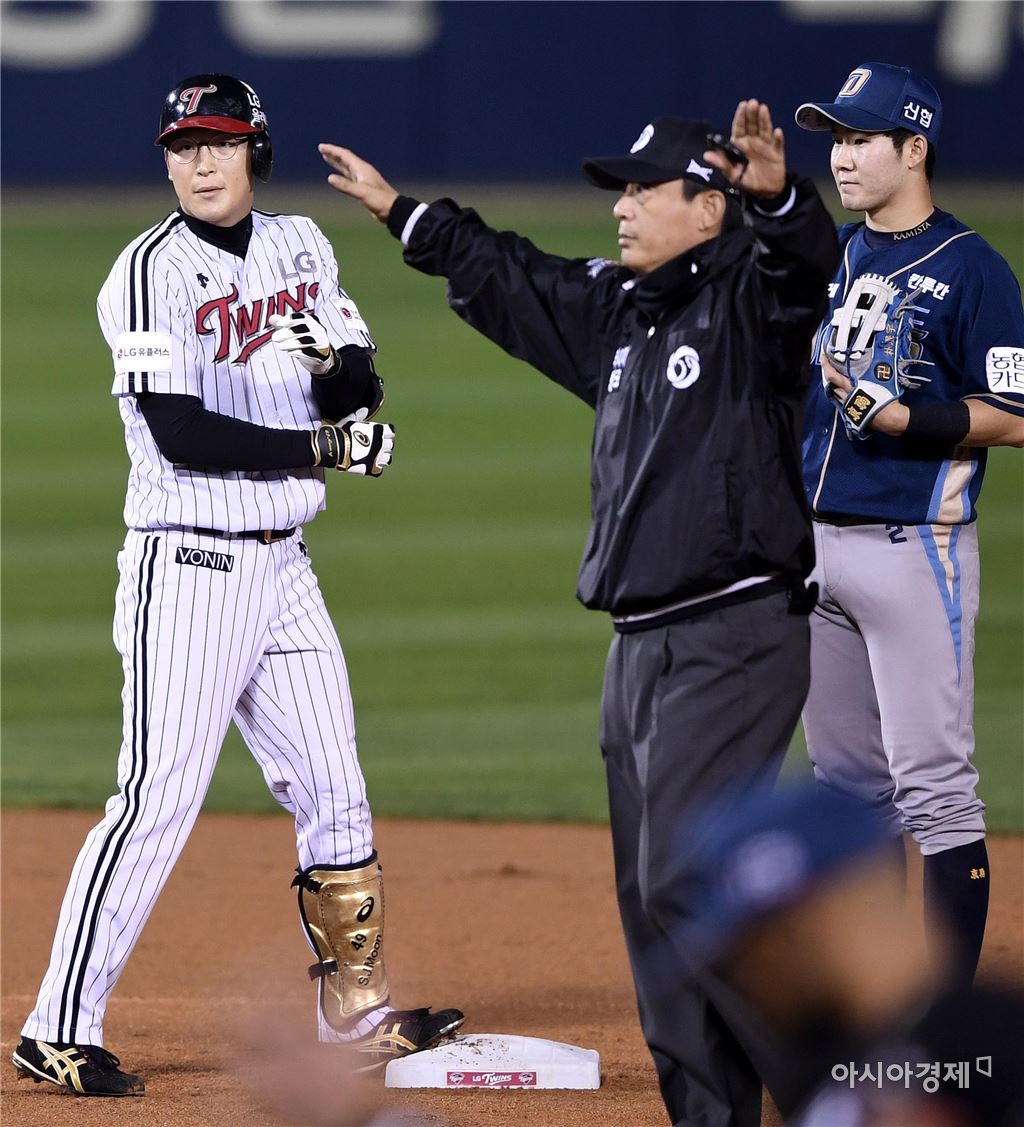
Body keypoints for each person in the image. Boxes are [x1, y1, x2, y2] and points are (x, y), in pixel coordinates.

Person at [319, 102, 839, 1127]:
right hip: (638, 648)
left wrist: (780, 198)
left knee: (688, 882)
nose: (622, 207)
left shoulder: (752, 300)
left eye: (644, 190)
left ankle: (846, 1091)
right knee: (652, 906)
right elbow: (516, 277)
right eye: (621, 190)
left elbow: (802, 269)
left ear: (708, 206)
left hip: (732, 634)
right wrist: (402, 213)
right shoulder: (623, 311)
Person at [11, 73, 463, 1098]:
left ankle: (354, 1019)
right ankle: (56, 1025)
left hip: (285, 565)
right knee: (159, 796)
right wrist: (326, 446)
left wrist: (336, 368)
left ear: (256, 149)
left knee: (336, 789)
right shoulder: (146, 273)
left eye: (218, 141)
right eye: (183, 146)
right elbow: (179, 430)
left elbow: (355, 386)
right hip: (188, 561)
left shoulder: (301, 244)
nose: (200, 162)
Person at [793, 62, 1024, 984]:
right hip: (818, 551)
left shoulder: (974, 268)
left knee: (936, 791)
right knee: (847, 791)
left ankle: (949, 1027)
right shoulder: (845, 253)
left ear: (914, 147)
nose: (842, 157)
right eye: (837, 140)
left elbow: (1015, 414)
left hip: (913, 550)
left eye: (861, 139)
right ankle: (873, 995)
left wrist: (904, 420)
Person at [677, 779, 1024, 1127]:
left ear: (804, 929)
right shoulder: (815, 1074)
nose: (750, 986)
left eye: (753, 958)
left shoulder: (995, 1045)